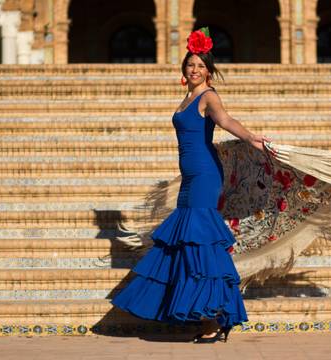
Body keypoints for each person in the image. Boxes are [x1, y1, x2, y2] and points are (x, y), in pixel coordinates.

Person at [111, 27, 268, 343]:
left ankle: (213, 318)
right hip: (190, 177)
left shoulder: (209, 96)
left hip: (206, 176)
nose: (194, 70)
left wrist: (251, 136)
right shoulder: (187, 97)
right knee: (189, 244)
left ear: (209, 71)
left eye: (200, 65)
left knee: (201, 245)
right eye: (190, 65)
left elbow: (225, 121)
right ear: (184, 69)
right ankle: (211, 313)